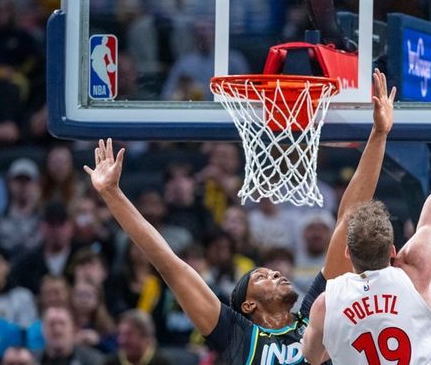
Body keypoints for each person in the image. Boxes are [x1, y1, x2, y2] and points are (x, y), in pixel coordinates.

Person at [83, 65, 396, 363]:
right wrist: (113, 195)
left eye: (270, 273)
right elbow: (169, 263)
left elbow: (348, 220)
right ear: (248, 305)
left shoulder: (314, 314)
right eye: (261, 277)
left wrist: (379, 134)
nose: (274, 273)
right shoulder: (236, 334)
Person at [300, 46, 431, 364]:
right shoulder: (415, 271)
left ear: (348, 253)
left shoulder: (327, 304)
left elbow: (312, 357)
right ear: (393, 250)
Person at [33, 307, 103, 365]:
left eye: (62, 324)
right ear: (42, 330)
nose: (57, 330)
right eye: (52, 324)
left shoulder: (94, 360)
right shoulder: (32, 360)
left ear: (73, 329)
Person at [103, 310, 170, 365]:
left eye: (129, 335)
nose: (122, 340)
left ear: (146, 336)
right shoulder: (110, 362)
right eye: (120, 334)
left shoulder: (163, 362)